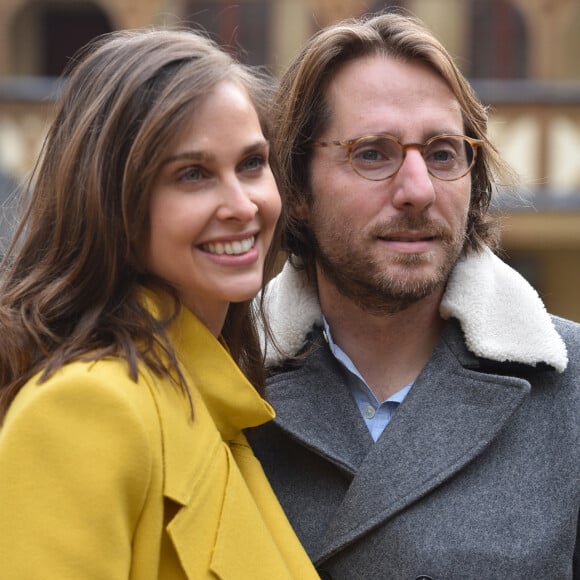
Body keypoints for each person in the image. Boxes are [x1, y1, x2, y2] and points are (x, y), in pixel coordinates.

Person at [248, 11, 580, 579]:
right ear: (296, 188)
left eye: (443, 153)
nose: (418, 190)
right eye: (372, 153)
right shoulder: (224, 379)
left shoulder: (570, 388)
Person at [0, 28, 319, 579]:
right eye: (192, 174)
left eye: (250, 163)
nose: (241, 205)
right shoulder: (86, 408)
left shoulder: (210, 404)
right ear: (111, 200)